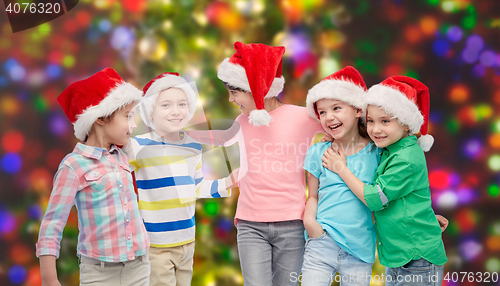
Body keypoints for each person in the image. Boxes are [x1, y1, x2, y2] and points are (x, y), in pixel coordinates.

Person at [187, 42, 324, 285]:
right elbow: (213, 136)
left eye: (234, 91)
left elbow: (340, 126)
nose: (230, 99)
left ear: (257, 88)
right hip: (251, 225)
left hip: (292, 223)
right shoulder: (241, 121)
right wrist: (173, 133)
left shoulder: (302, 117)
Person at [322, 76, 447, 286]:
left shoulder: (406, 159)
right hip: (399, 255)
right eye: (371, 121)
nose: (375, 129)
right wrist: (339, 138)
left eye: (385, 121)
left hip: (416, 258)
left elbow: (375, 199)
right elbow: (406, 197)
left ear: (407, 124)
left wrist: (340, 168)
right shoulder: (391, 149)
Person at [36, 68, 150, 286]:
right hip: (99, 273)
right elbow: (52, 224)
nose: (133, 125)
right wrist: (49, 279)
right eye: (127, 116)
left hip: (140, 267)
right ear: (100, 118)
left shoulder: (124, 155)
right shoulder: (73, 166)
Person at [125, 72, 239, 286]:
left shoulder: (192, 146)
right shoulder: (138, 145)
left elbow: (195, 187)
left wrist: (227, 182)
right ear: (150, 112)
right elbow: (112, 166)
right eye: (166, 105)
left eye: (182, 104)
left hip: (187, 240)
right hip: (156, 244)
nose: (176, 111)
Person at [300, 66, 378, 286]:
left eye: (336, 108)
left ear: (357, 110)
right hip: (321, 242)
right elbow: (312, 195)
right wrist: (310, 224)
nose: (328, 117)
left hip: (360, 248)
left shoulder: (377, 152)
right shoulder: (318, 151)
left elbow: (388, 194)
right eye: (322, 112)